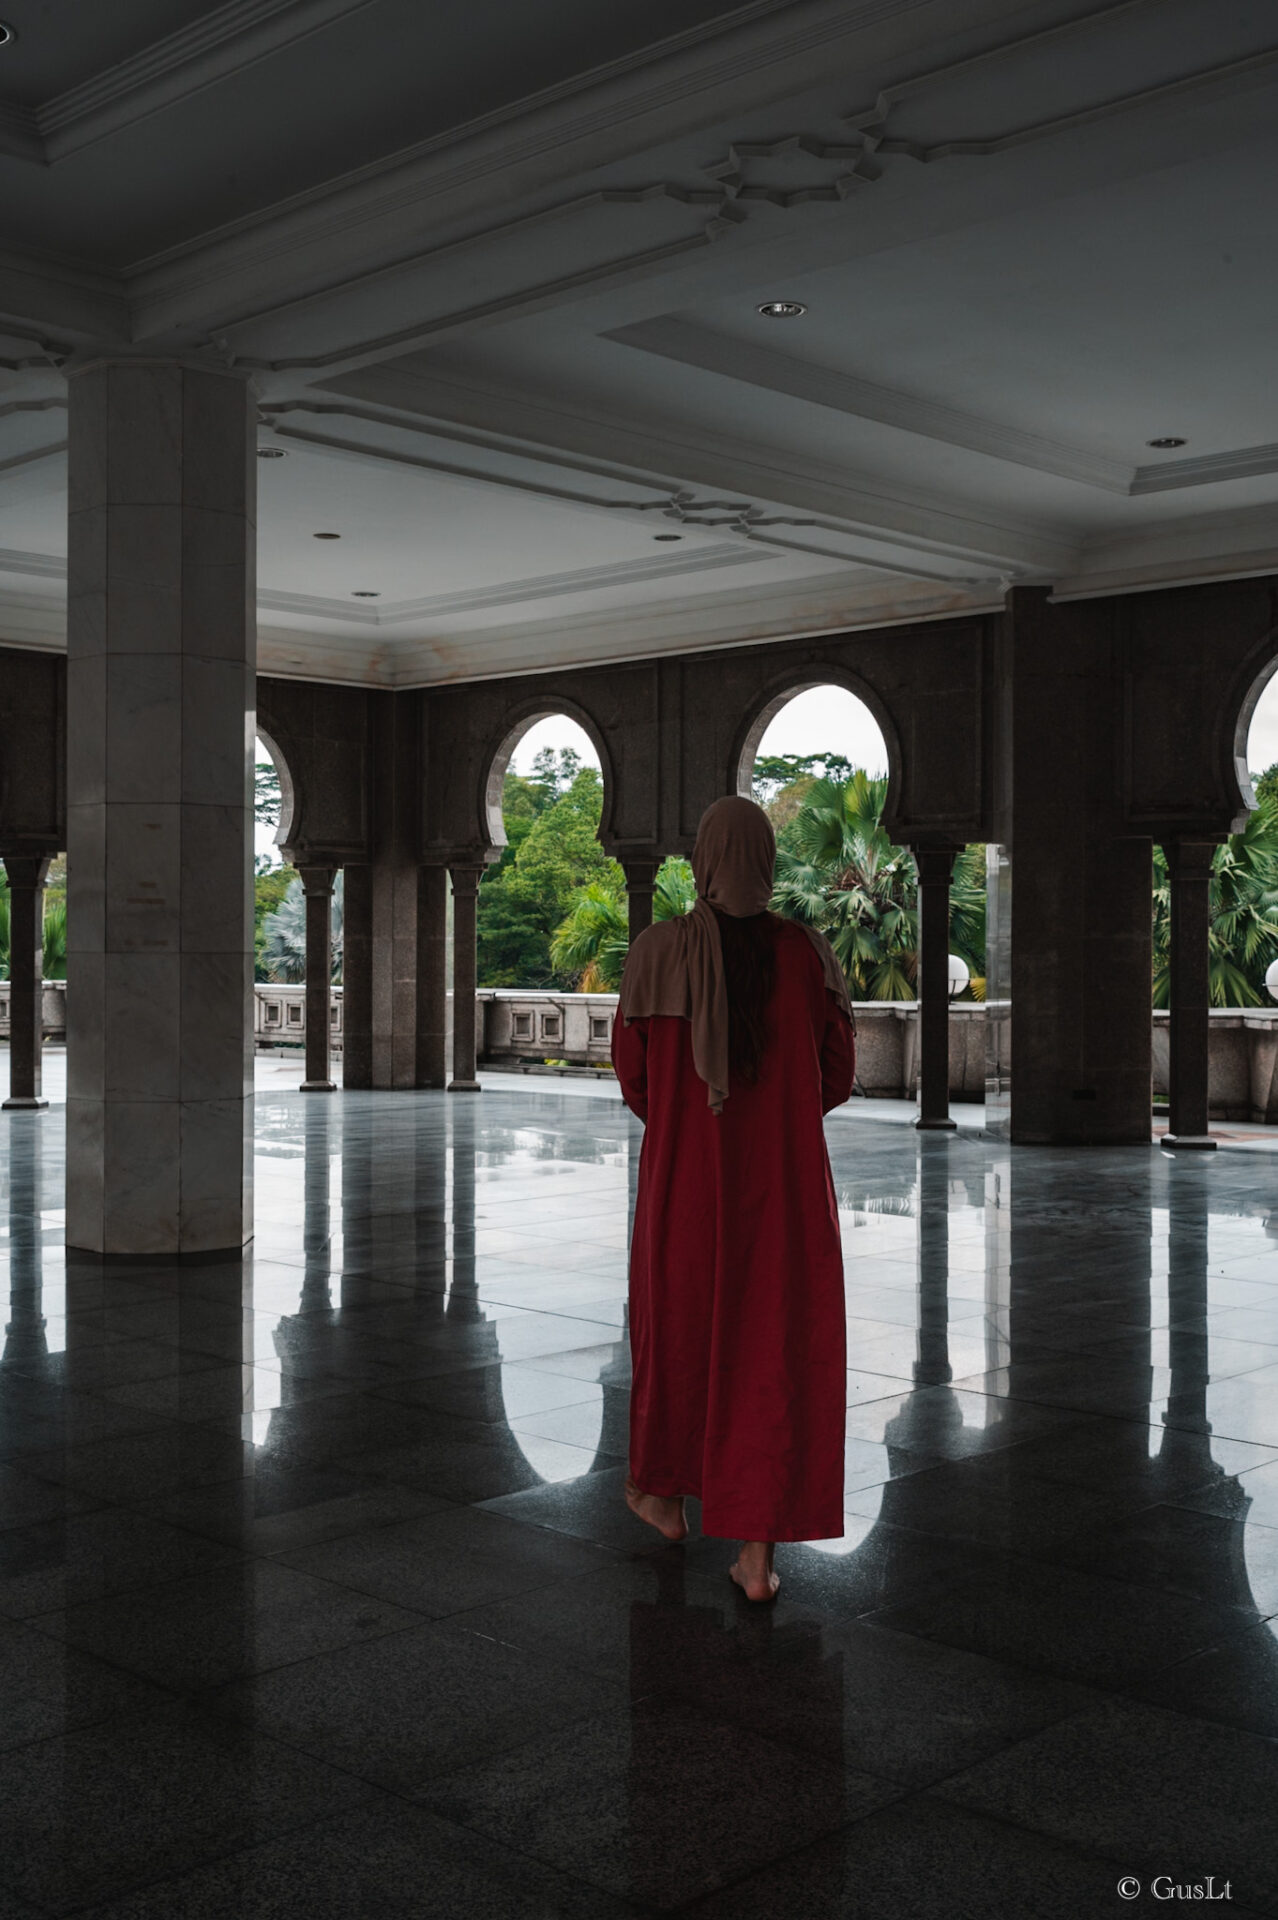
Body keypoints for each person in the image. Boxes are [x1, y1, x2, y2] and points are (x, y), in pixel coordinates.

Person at [611, 794, 856, 1601]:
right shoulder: (807, 955)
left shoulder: (657, 952)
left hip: (686, 1185)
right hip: (782, 1193)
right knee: (771, 1352)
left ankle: (663, 1496)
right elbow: (837, 1077)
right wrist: (773, 1115)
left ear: (702, 859)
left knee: (680, 1330)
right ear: (768, 860)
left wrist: (695, 1118)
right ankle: (756, 1556)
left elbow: (636, 1079)